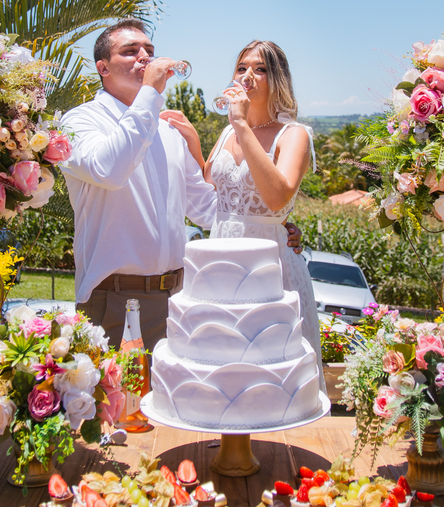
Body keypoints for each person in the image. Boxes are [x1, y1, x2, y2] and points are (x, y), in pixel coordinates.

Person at [59, 19, 301, 347]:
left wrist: (274, 226)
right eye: (130, 51)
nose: (144, 57)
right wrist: (149, 93)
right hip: (112, 297)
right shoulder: (79, 121)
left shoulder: (167, 130)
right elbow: (109, 170)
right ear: (103, 68)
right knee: (108, 383)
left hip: (177, 297)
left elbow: (207, 208)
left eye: (149, 50)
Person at [161, 40, 326, 390]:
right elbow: (214, 181)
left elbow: (277, 198)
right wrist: (194, 141)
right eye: (242, 67)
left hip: (270, 267)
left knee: (270, 375)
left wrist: (241, 124)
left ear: (278, 78)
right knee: (221, 365)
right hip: (220, 259)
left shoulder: (294, 134)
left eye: (260, 69)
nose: (248, 75)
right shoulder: (227, 132)